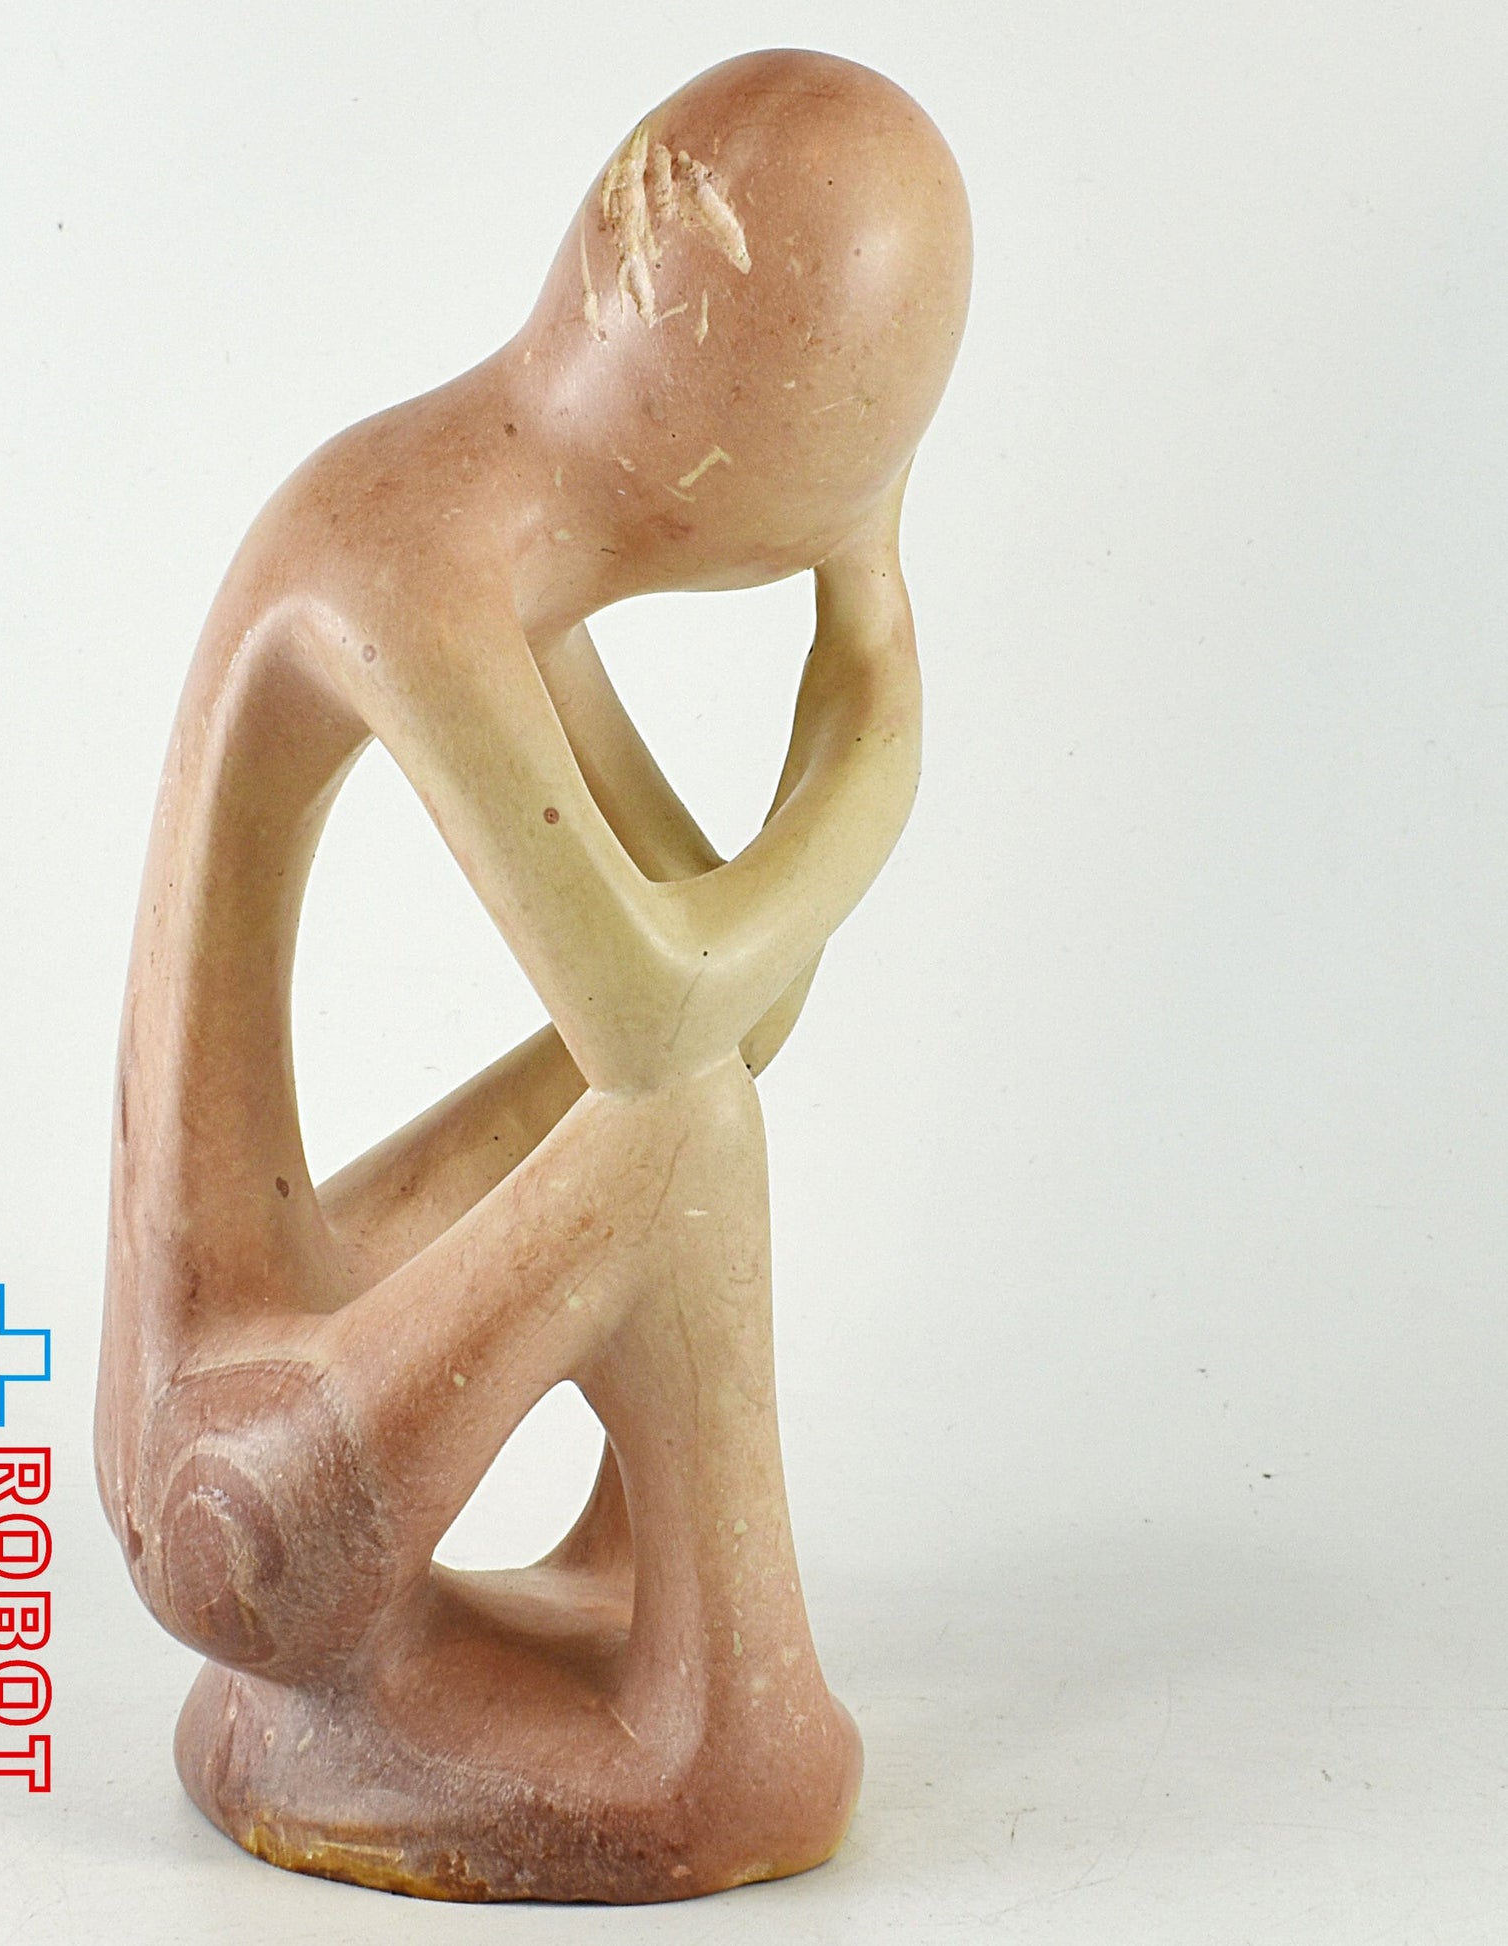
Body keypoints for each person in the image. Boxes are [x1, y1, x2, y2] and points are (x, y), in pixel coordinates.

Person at [95, 47, 970, 1900]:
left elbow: (741, 988)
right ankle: (724, 1739)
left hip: (290, 1422)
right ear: (737, 433)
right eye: (856, 459)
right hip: (228, 1484)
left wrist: (857, 631)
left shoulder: (500, 545)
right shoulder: (400, 558)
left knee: (670, 1097)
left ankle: (646, 1610)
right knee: (671, 1125)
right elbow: (657, 1015)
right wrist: (874, 733)